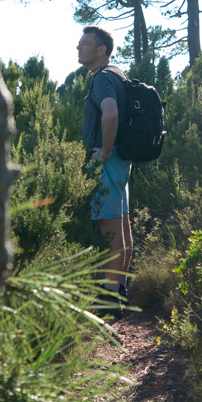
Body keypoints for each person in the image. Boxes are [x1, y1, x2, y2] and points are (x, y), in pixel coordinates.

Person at [77, 25, 133, 304]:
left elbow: (110, 115)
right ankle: (119, 289)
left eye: (85, 43)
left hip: (108, 163)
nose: (78, 47)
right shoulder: (117, 75)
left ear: (102, 51)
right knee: (122, 227)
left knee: (110, 231)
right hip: (121, 162)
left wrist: (105, 153)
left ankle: (110, 300)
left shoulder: (102, 79)